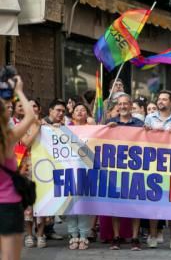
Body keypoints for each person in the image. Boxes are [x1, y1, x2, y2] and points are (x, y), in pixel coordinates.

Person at [0, 75, 35, 260]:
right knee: (10, 257)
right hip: (9, 205)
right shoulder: (8, 138)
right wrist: (19, 91)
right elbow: (30, 116)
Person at [144, 90, 171, 249]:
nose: (161, 102)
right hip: (153, 164)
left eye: (164, 99)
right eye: (159, 99)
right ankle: (153, 236)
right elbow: (143, 138)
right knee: (153, 201)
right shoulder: (149, 118)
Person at [105, 93, 144, 251]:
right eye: (119, 104)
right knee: (116, 204)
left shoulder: (139, 124)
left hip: (135, 168)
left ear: (130, 105)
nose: (122, 107)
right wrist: (107, 130)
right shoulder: (110, 123)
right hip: (116, 168)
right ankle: (116, 237)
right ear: (117, 106)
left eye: (125, 104)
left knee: (135, 204)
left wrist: (148, 132)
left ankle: (135, 238)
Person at [66, 103, 94, 250]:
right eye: (76, 110)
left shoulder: (93, 130)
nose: (79, 112)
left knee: (83, 204)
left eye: (83, 110)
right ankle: (73, 235)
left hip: (86, 171)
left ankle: (83, 236)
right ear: (72, 114)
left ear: (87, 114)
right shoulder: (64, 128)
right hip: (68, 171)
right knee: (70, 203)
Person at [41, 99, 66, 242]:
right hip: (43, 167)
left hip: (57, 167)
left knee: (53, 199)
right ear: (50, 110)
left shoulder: (64, 125)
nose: (61, 113)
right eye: (58, 110)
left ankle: (49, 230)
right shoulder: (41, 123)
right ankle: (40, 232)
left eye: (63, 111)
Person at [21, 99, 45, 249]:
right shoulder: (21, 126)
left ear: (39, 108)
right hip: (27, 167)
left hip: (44, 167)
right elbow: (26, 142)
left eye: (35, 106)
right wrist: (37, 127)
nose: (32, 108)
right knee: (28, 203)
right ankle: (29, 235)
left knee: (43, 201)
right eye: (28, 106)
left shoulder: (46, 124)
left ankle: (41, 235)